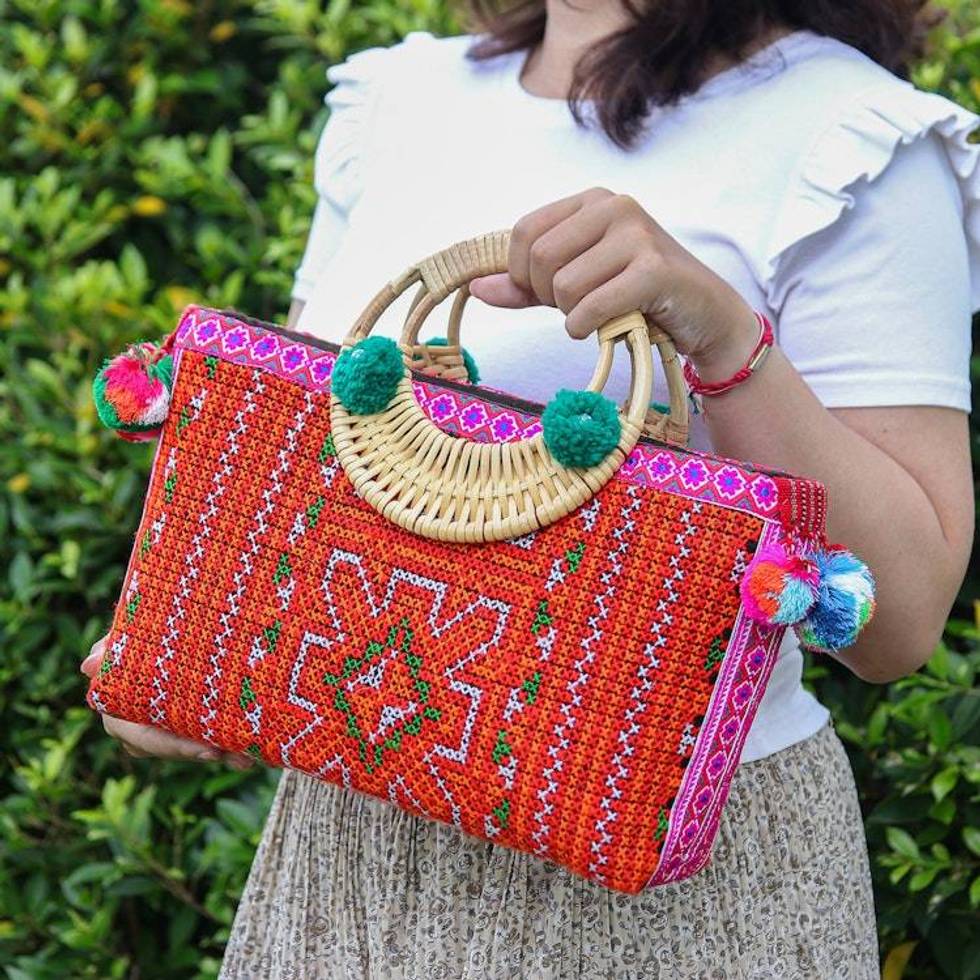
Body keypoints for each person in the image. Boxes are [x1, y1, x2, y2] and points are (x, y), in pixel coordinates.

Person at [82, 0, 978, 975]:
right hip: (349, 851)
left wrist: (720, 334)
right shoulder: (401, 97)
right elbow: (315, 475)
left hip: (675, 886)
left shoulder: (852, 141)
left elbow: (897, 623)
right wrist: (181, 642)